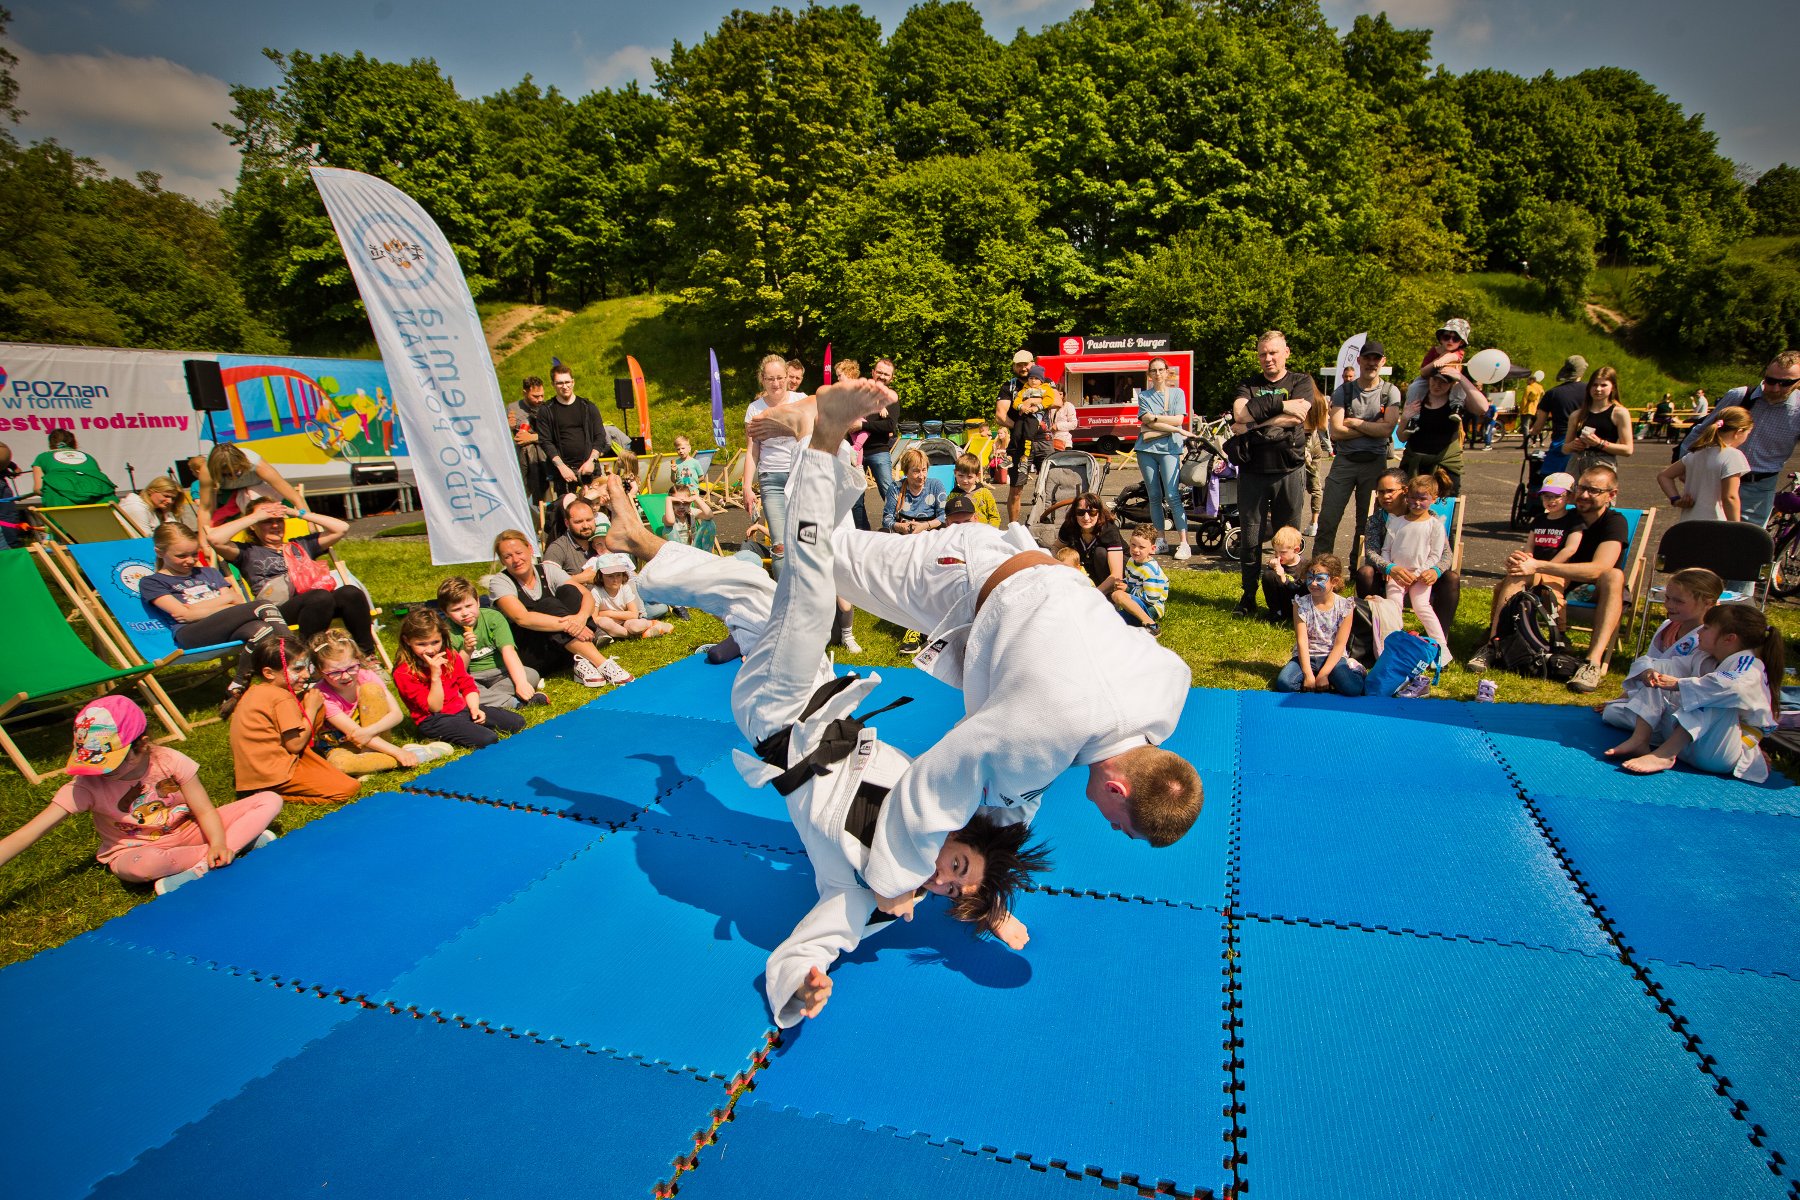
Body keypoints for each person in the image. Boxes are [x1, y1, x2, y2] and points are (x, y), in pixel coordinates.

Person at [600, 386, 1049, 1025]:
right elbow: (1007, 797)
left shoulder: (856, 889)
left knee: (810, 596)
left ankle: (822, 441)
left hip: (780, 716)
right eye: (953, 868)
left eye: (948, 892)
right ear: (958, 833)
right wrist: (995, 910)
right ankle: (640, 540)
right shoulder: (935, 801)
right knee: (754, 590)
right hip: (819, 686)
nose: (937, 882)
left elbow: (813, 941)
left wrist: (798, 987)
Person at [747, 391, 1204, 917]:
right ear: (1119, 789)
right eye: (1118, 824)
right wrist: (893, 880)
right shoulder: (1045, 729)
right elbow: (931, 785)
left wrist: (994, 888)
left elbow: (1019, 785)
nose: (1109, 825)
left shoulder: (1168, 690)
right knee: (818, 558)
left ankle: (820, 439)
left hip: (1017, 572)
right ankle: (820, 431)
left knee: (834, 557)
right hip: (962, 578)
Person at [0, 696, 280, 896]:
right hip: (136, 850)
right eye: (94, 761)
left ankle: (211, 858)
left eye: (111, 761)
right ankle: (232, 849)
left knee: (269, 799)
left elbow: (205, 811)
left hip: (193, 832)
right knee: (142, 867)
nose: (101, 770)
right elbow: (29, 833)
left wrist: (217, 840)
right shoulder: (86, 786)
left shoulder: (170, 760)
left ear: (141, 746)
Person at [1466, 465, 1628, 692]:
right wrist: (1521, 559)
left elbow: (1599, 569)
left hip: (1592, 588)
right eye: (1581, 488)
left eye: (1593, 490)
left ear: (1611, 495)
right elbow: (1538, 546)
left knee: (1614, 576)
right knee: (1519, 571)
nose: (1584, 495)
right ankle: (1494, 646)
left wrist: (1539, 565)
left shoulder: (1614, 521)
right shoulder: (1563, 516)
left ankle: (1592, 662)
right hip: (1553, 580)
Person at [1610, 603, 1782, 781]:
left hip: (1718, 753)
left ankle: (1664, 755)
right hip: (1690, 744)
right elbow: (1659, 664)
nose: (1699, 633)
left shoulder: (1750, 664)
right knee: (1629, 701)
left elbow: (1733, 688)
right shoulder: (1703, 656)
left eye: (1706, 628)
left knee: (1711, 697)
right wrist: (1649, 672)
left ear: (1729, 639)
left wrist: (1679, 684)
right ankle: (1640, 739)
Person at [138, 523, 290, 712]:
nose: (190, 560)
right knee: (262, 605)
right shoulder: (152, 582)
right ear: (159, 552)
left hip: (221, 627)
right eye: (181, 556)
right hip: (191, 634)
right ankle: (296, 657)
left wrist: (195, 609)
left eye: (194, 554)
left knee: (261, 630)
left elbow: (236, 601)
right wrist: (222, 600)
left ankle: (237, 689)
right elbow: (181, 614)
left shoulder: (207, 572)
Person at [1230, 333, 1325, 616]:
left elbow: (1299, 417)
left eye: (1273, 353)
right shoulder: (1248, 383)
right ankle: (1248, 596)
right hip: (1252, 472)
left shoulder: (1300, 381)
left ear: (1286, 352)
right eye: (1263, 354)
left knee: (1289, 540)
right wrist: (1283, 405)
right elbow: (1239, 414)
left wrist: (1253, 424)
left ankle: (1290, 597)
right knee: (1249, 540)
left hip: (1288, 470)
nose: (1268, 359)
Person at [207, 501, 377, 658]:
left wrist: (295, 512)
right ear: (253, 526)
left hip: (319, 605)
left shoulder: (300, 545)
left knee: (350, 592)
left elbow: (341, 527)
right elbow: (215, 539)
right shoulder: (247, 552)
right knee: (319, 597)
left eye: (279, 520)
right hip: (277, 611)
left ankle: (367, 656)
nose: (275, 525)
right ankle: (307, 659)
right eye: (267, 521)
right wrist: (256, 516)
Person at [229, 631, 360, 806]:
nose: (306, 675)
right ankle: (269, 794)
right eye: (297, 669)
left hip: (253, 771)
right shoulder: (281, 697)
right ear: (269, 673)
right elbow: (295, 744)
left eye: (307, 667)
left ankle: (307, 764)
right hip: (274, 773)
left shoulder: (256, 690)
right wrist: (311, 709)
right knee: (348, 788)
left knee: (312, 700)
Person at [488, 529, 633, 687]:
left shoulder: (547, 570)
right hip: (532, 652)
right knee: (548, 604)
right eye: (508, 557)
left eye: (518, 552)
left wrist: (580, 618)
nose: (516, 560)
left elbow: (586, 595)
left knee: (570, 592)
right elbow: (522, 618)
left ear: (530, 549)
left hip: (562, 645)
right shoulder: (500, 582)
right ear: (502, 561)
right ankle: (602, 663)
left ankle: (580, 661)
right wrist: (571, 625)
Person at [1675, 350, 1800, 529]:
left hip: (1758, 488)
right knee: (1704, 539)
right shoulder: (1740, 396)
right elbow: (1700, 431)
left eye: (1785, 383)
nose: (1775, 388)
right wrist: (1686, 466)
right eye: (1770, 380)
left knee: (1746, 544)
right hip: (1714, 481)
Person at [1599, 568, 1722, 747]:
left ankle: (1665, 734)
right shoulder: (1667, 626)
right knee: (1612, 711)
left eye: (1678, 601)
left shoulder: (1708, 639)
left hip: (1683, 707)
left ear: (1708, 603)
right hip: (1653, 699)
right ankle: (1650, 725)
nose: (1669, 605)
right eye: (1667, 598)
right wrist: (1624, 697)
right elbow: (1646, 665)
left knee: (1618, 712)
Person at [308, 628, 452, 775]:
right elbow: (354, 733)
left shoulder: (366, 675)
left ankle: (371, 762)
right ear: (319, 671)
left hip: (376, 736)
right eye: (335, 672)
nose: (345, 676)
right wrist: (397, 752)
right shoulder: (323, 695)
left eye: (351, 668)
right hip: (343, 745)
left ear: (358, 660)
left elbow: (397, 714)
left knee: (371, 690)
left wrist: (369, 731)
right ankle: (412, 755)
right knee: (340, 765)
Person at [391, 609, 528, 750]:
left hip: (461, 709)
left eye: (435, 642)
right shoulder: (404, 672)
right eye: (422, 644)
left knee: (517, 722)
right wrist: (435, 676)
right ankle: (437, 738)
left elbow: (467, 684)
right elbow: (435, 707)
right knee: (488, 738)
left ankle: (467, 726)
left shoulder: (450, 656)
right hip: (434, 719)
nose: (431, 650)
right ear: (407, 641)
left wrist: (474, 708)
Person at [1316, 340, 1401, 559]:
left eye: (1376, 358)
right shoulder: (1343, 391)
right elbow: (1335, 431)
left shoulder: (1390, 392)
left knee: (1368, 523)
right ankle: (1320, 571)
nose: (1371, 363)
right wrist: (1374, 427)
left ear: (1383, 361)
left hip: (1375, 463)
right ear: (1359, 360)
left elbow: (1388, 428)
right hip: (1344, 461)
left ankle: (1360, 572)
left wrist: (1354, 423)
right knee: (1328, 519)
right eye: (1368, 358)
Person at [1353, 470, 1461, 633]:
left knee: (1451, 578)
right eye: (1381, 492)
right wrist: (1389, 568)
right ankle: (1374, 631)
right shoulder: (1376, 520)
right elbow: (1372, 552)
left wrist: (1435, 570)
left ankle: (1440, 638)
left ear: (1405, 491)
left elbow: (1446, 553)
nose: (1385, 496)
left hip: (1424, 573)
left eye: (1390, 491)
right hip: (1388, 575)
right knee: (1365, 572)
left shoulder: (1429, 517)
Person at [438, 575, 546, 710]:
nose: (465, 613)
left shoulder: (493, 618)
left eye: (469, 606)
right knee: (455, 690)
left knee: (531, 675)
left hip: (501, 673)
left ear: (477, 602)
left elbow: (509, 652)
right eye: (456, 609)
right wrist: (466, 651)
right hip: (472, 677)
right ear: (445, 612)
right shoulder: (446, 632)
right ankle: (514, 703)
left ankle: (488, 699)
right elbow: (456, 672)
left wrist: (521, 683)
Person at [745, 354, 808, 575]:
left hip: (800, 475)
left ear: (787, 377)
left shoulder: (801, 400)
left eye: (780, 378)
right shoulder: (755, 409)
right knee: (779, 545)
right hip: (771, 478)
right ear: (762, 379)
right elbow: (753, 450)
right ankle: (783, 600)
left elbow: (811, 434)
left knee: (807, 539)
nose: (776, 384)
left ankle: (808, 592)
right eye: (770, 379)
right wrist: (746, 487)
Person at [1383, 471, 1454, 666]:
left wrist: (1418, 574)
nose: (1416, 502)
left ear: (1433, 499)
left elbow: (1435, 555)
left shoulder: (1435, 525)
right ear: (1406, 496)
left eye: (1422, 498)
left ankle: (1441, 649)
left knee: (1422, 607)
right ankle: (1392, 648)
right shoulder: (1396, 522)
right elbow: (1385, 550)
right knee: (1393, 607)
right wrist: (1391, 568)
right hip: (1397, 576)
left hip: (1421, 577)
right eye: (1412, 497)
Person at [1274, 554, 1365, 696]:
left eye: (1320, 579)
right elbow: (1302, 641)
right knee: (1284, 683)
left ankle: (1354, 669)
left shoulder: (1345, 607)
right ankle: (1322, 679)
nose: (1313, 583)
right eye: (1310, 578)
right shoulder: (1300, 604)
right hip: (1306, 657)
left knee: (1352, 688)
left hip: (1333, 658)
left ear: (1334, 581)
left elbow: (1340, 645)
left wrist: (1323, 674)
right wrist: (1308, 674)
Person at [1397, 359, 1485, 496]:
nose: (1437, 385)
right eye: (1434, 379)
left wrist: (1461, 378)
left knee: (1444, 510)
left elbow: (1482, 408)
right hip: (1414, 464)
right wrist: (1404, 418)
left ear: (1451, 384)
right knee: (1409, 511)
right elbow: (1401, 437)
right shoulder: (1418, 398)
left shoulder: (1456, 402)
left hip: (1445, 466)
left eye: (1443, 381)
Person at [1134, 356, 1192, 560]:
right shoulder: (1144, 396)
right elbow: (1157, 422)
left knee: (1173, 495)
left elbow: (1179, 419)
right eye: (1153, 370)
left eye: (1160, 369)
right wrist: (1172, 426)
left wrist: (1155, 419)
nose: (1157, 374)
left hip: (1170, 449)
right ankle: (1160, 540)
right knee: (1154, 497)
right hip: (1146, 449)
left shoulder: (1177, 393)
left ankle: (1184, 543)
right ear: (1149, 375)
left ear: (1167, 372)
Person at [1660, 407, 1752, 523]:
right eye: (1748, 433)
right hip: (1716, 524)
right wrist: (1737, 528)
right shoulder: (1733, 455)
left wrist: (1675, 499)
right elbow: (1730, 497)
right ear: (1739, 432)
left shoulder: (1696, 453)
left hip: (1688, 523)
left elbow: (1664, 476)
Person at [533, 364, 611, 496]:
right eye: (560, 383)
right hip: (563, 474)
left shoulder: (588, 407)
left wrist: (591, 461)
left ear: (573, 382)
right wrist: (562, 467)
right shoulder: (546, 410)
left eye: (567, 382)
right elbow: (546, 442)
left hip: (590, 470)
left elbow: (600, 436)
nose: (565, 386)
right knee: (569, 513)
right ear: (553, 384)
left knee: (596, 511)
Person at [996, 350, 1052, 525]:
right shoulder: (1009, 387)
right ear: (1014, 366)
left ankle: (1047, 526)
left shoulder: (1046, 382)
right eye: (1018, 365)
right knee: (1016, 489)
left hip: (1044, 441)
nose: (1022, 368)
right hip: (1019, 442)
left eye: (1025, 364)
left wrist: (1032, 403)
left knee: (1049, 487)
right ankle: (1014, 528)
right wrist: (1023, 426)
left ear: (1032, 364)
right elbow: (1000, 415)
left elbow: (1057, 400)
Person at [201, 443, 305, 527]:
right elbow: (205, 509)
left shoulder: (255, 463)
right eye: (226, 475)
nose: (233, 478)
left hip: (260, 492)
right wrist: (204, 543)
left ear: (243, 463)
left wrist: (310, 523)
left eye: (237, 472)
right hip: (228, 499)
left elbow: (294, 497)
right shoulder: (208, 471)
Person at [1562, 365, 1635, 479]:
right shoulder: (1577, 414)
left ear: (1613, 388)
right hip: (1577, 463)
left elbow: (1628, 450)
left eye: (1603, 385)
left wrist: (1599, 443)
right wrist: (1573, 445)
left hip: (1602, 464)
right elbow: (1565, 449)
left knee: (1598, 494)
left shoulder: (1619, 413)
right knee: (1574, 495)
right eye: (1594, 385)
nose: (1598, 389)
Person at [1526, 355, 1590, 476]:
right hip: (1586, 439)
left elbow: (1538, 426)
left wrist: (1532, 432)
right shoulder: (1591, 391)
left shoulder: (1552, 393)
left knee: (1551, 477)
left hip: (1562, 439)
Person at [586, 552, 674, 639]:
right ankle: (633, 634)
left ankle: (654, 624)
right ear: (601, 577)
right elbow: (595, 618)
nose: (615, 579)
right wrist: (609, 618)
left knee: (634, 626)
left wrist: (608, 613)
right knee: (604, 622)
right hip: (611, 624)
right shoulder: (596, 591)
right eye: (610, 576)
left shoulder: (625, 587)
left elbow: (634, 614)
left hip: (627, 622)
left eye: (618, 575)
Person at [1058, 493, 1126, 595]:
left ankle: (1108, 597)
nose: (1086, 517)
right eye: (1080, 512)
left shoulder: (1109, 529)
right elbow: (1056, 547)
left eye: (1092, 512)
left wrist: (1094, 595)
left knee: (1100, 552)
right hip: (1089, 570)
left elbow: (1116, 574)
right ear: (1074, 513)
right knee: (1068, 554)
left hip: (1118, 572)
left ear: (1099, 513)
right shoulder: (1069, 525)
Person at [860, 359, 901, 527]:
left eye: (886, 374)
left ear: (891, 378)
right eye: (880, 372)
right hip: (856, 452)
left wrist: (863, 425)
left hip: (879, 450)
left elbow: (890, 425)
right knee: (855, 496)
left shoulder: (892, 398)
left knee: (888, 491)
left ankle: (896, 526)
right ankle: (861, 531)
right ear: (873, 372)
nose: (882, 376)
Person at [31, 429, 116, 506]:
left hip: (62, 502)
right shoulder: (88, 457)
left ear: (50, 444)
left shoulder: (42, 457)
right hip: (102, 499)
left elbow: (38, 488)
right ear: (74, 443)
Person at [541, 498, 608, 586]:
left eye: (589, 520)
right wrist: (581, 578)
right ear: (567, 523)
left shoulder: (603, 541)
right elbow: (547, 582)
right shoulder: (558, 548)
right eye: (578, 522)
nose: (585, 526)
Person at [1117, 524, 1169, 634]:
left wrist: (1127, 590)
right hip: (1138, 601)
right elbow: (1131, 580)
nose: (1136, 550)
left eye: (1141, 547)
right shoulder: (1132, 561)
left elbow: (1151, 598)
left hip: (1151, 607)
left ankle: (1151, 624)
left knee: (1118, 596)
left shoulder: (1151, 570)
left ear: (1152, 549)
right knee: (1112, 617)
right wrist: (1123, 584)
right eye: (1133, 545)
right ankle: (1132, 618)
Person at [883, 446, 948, 534]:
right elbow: (887, 519)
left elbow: (944, 516)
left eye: (924, 470)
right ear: (906, 472)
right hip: (903, 536)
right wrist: (900, 526)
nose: (921, 476)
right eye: (916, 471)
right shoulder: (895, 488)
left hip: (930, 535)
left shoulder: (935, 486)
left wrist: (924, 526)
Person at [510, 375, 552, 504]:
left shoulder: (548, 408)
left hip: (544, 460)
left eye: (542, 396)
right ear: (525, 392)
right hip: (522, 460)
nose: (540, 399)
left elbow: (557, 436)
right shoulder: (512, 409)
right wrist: (507, 428)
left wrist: (532, 437)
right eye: (535, 396)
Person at [1262, 525, 1308, 623]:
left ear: (1296, 550)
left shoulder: (1305, 566)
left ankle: (1297, 616)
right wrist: (1271, 569)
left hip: (1300, 604)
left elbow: (1300, 591)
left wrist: (1283, 578)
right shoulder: (1278, 564)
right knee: (1268, 575)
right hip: (1283, 602)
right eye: (1275, 551)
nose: (1278, 555)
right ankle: (1276, 612)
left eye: (1282, 552)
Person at [119, 476, 192, 535]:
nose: (170, 501)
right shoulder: (137, 508)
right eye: (166, 496)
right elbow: (144, 540)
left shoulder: (155, 508)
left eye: (173, 498)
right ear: (151, 491)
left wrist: (167, 514)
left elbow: (177, 535)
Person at [950, 452, 1001, 527]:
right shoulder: (952, 496)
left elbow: (995, 517)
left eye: (969, 477)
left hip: (984, 533)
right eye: (961, 476)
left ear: (977, 475)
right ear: (955, 473)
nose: (965, 480)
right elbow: (949, 518)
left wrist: (990, 531)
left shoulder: (985, 493)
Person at [1518, 370, 1546, 441]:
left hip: (1527, 409)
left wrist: (1521, 410)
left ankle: (1526, 442)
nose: (1527, 381)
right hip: (1536, 408)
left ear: (1531, 380)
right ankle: (1537, 440)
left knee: (1525, 426)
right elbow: (1543, 395)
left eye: (1528, 380)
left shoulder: (1529, 387)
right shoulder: (1540, 387)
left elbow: (1524, 400)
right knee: (1536, 424)